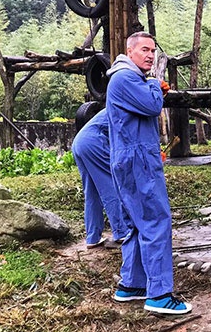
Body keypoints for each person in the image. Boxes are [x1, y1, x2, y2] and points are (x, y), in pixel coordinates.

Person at [105, 31, 191, 315]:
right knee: (156, 221)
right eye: (144, 50)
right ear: (129, 52)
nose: (150, 55)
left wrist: (151, 86)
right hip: (138, 160)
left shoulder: (127, 79)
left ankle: (132, 284)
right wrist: (155, 86)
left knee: (135, 224)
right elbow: (153, 106)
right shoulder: (126, 78)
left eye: (153, 50)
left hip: (128, 157)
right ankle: (160, 294)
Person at [71, 108, 130, 249]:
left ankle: (92, 237)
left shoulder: (117, 104)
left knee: (92, 192)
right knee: (110, 185)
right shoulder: (129, 107)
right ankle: (122, 231)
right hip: (93, 142)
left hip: (79, 142)